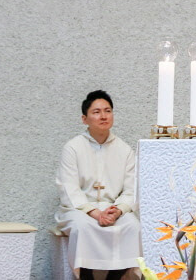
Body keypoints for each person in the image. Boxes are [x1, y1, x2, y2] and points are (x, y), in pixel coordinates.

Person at [55, 90, 141, 280]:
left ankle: (114, 277)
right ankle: (86, 276)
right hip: (79, 209)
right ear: (84, 119)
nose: (103, 116)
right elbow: (69, 188)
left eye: (108, 111)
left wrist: (117, 211)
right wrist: (94, 212)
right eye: (96, 112)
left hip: (112, 208)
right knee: (83, 226)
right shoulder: (73, 148)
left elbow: (132, 189)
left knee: (133, 226)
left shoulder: (125, 150)